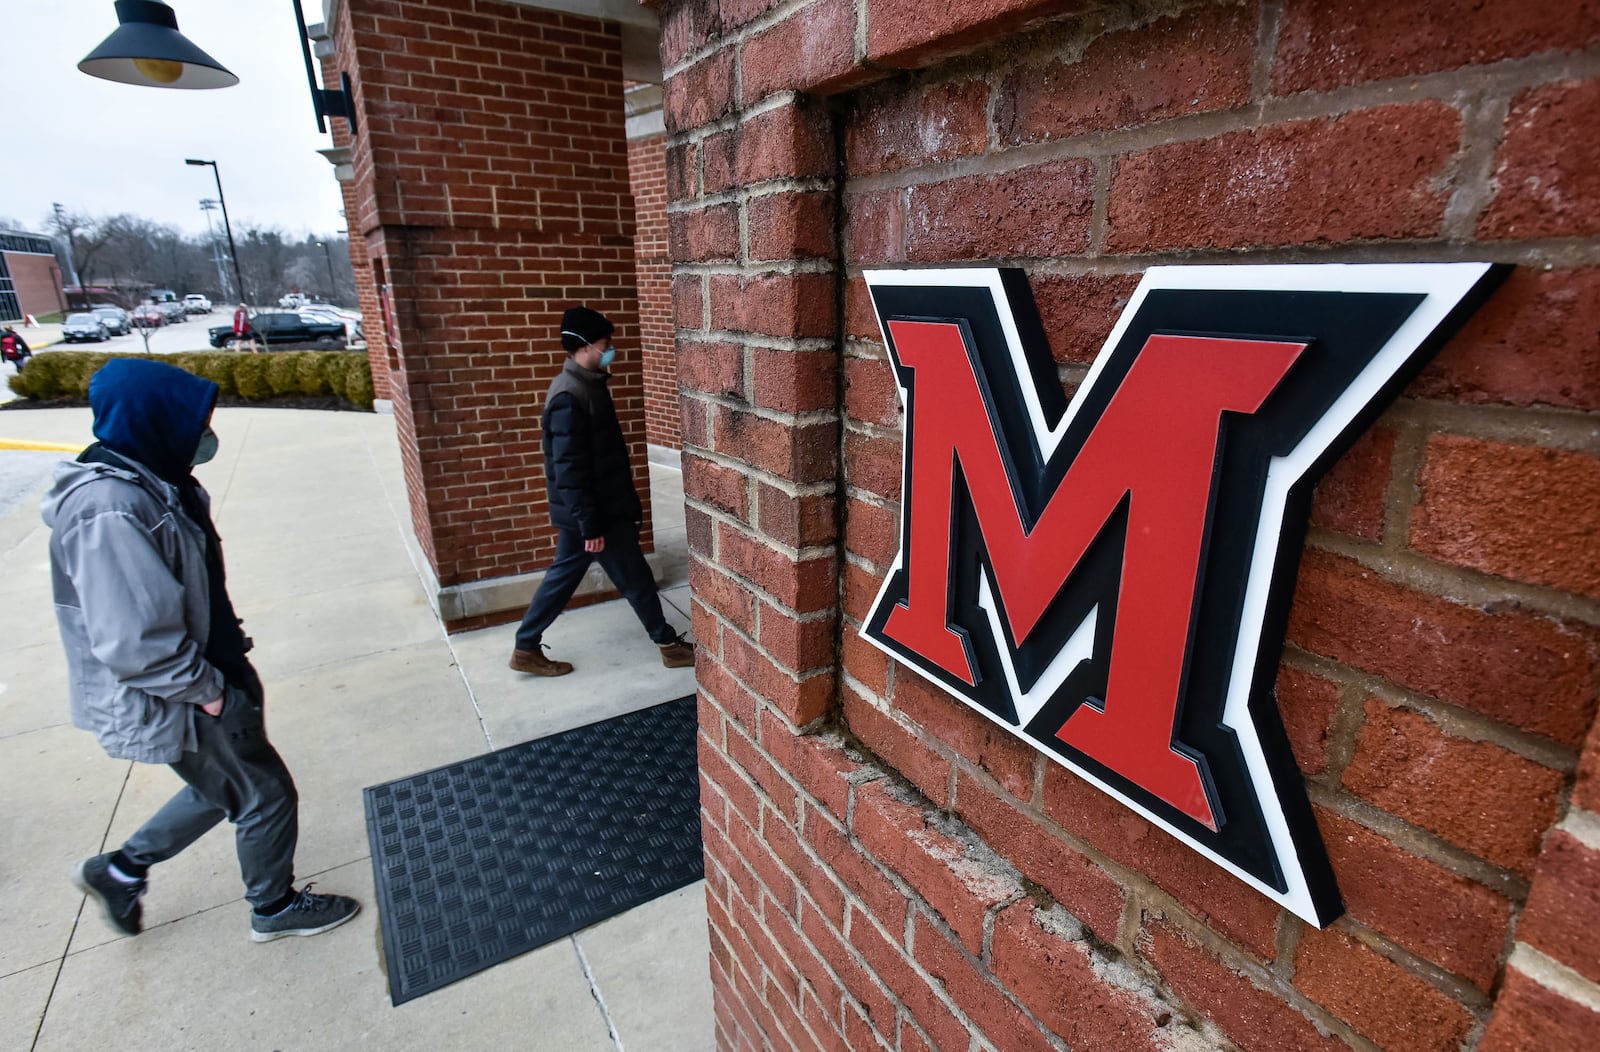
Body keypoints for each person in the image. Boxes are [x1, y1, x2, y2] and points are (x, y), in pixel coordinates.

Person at [42, 358, 360, 942]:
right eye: (196, 423)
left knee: (223, 785)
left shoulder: (160, 481)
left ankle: (119, 870)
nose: (205, 434)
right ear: (156, 421)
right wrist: (207, 692)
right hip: (189, 687)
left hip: (214, 670)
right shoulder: (109, 509)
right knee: (265, 793)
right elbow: (131, 637)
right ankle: (273, 908)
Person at [510, 307, 694, 676]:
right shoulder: (570, 396)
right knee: (632, 578)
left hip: (599, 512)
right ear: (586, 346)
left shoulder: (587, 386)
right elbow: (569, 471)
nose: (610, 350)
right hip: (597, 516)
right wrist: (589, 525)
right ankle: (667, 644)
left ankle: (526, 646)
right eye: (605, 344)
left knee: (610, 577)